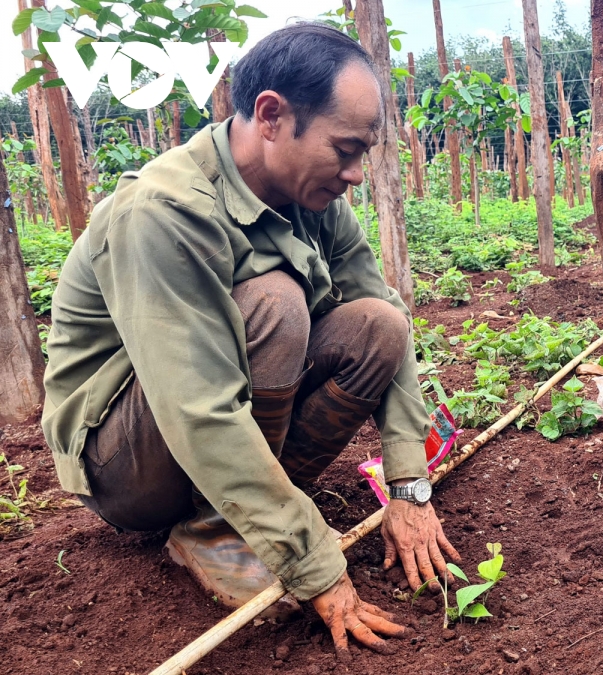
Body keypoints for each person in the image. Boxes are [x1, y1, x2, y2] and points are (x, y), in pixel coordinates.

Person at [40, 22, 458, 660]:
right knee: (276, 302)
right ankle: (216, 530)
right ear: (270, 115)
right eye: (344, 149)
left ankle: (244, 511)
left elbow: (386, 311)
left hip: (202, 429)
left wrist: (409, 484)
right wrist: (315, 562)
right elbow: (197, 409)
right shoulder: (163, 213)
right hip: (125, 462)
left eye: (362, 154)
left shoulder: (312, 198)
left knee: (379, 325)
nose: (354, 174)